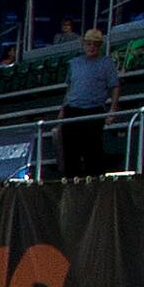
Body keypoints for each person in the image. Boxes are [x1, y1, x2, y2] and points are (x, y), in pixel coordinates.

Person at [58, 29, 120, 179]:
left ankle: (95, 182)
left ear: (100, 46)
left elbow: (115, 87)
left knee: (92, 150)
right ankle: (71, 182)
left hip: (94, 109)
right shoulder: (75, 63)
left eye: (95, 45)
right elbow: (70, 88)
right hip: (72, 109)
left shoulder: (106, 63)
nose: (92, 47)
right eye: (89, 44)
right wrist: (62, 109)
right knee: (70, 150)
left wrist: (112, 110)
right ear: (84, 45)